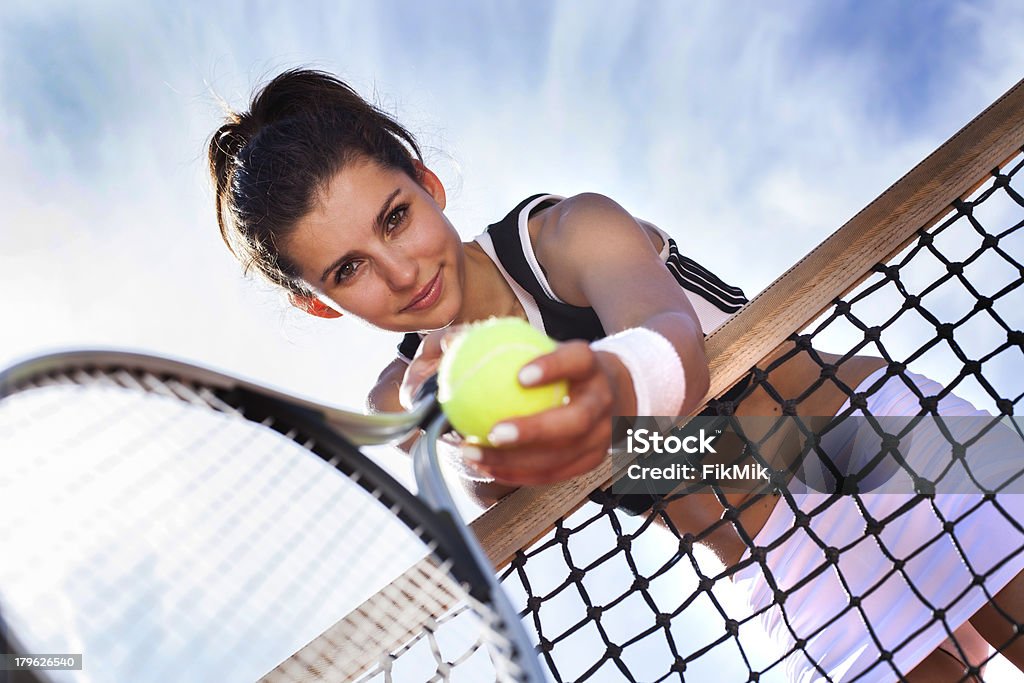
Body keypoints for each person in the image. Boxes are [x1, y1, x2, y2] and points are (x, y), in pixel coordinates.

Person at [208, 68, 1023, 681]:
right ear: (320, 304)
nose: (399, 269)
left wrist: (614, 392)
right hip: (791, 580)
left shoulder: (562, 233)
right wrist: (459, 439)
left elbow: (672, 339)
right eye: (349, 268)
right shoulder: (421, 394)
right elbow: (497, 492)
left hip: (895, 448)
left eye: (396, 217)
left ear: (429, 185)